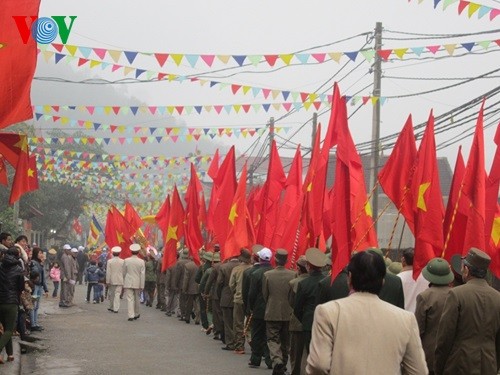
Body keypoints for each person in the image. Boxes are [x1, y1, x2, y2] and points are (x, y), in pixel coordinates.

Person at [306, 251, 427, 374]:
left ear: (349, 278)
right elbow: (418, 371)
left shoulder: (327, 312)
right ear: (383, 281)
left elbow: (319, 364)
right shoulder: (406, 319)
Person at [434, 248, 500, 375]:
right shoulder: (498, 297)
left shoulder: (456, 294)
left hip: (459, 365)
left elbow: (445, 337)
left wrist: (439, 368)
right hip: (488, 365)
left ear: (467, 270)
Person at [415, 258, 454, 375]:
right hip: (450, 352)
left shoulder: (425, 296)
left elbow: (419, 328)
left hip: (429, 353)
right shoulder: (456, 294)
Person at [262, 249, 295, 375]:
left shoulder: (267, 275)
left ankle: (277, 361)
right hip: (288, 312)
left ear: (275, 260)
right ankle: (283, 364)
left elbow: (265, 295)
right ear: (286, 261)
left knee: (273, 338)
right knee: (286, 340)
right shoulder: (293, 274)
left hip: (272, 311)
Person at [293, 248, 327, 355]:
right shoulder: (327, 281)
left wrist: (305, 319)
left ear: (308, 266)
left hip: (308, 322)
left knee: (310, 353)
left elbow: (297, 308)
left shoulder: (304, 284)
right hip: (325, 322)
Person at [247, 247, 274, 369]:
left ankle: (255, 359)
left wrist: (251, 308)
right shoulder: (274, 272)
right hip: (271, 308)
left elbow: (251, 294)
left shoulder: (255, 274)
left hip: (258, 309)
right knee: (270, 335)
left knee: (257, 335)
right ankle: (270, 360)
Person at [0, 248, 25, 364]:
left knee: (4, 329)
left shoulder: (0, 267)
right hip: (11, 302)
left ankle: (10, 354)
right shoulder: (19, 269)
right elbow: (21, 288)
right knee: (10, 330)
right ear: (17, 256)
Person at [217, 250, 243, 350]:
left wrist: (220, 296)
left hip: (226, 297)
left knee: (228, 322)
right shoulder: (243, 268)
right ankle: (239, 343)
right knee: (238, 322)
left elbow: (219, 283)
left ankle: (231, 343)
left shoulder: (224, 267)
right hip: (240, 297)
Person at [229, 248, 252, 354]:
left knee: (238, 323)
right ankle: (253, 343)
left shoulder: (236, 269)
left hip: (239, 299)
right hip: (250, 300)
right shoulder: (253, 269)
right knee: (250, 323)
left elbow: (231, 285)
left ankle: (239, 346)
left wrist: (236, 292)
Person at [288, 256, 309, 375]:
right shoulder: (319, 281)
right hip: (311, 322)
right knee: (307, 353)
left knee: (295, 353)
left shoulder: (293, 282)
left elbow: (291, 303)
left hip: (297, 322)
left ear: (299, 268)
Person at [398, 248, 429, 313]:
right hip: (420, 317)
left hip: (402, 317)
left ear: (403, 260)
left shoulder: (397, 278)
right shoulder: (427, 278)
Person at [123, 243, 145, 321]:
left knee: (129, 299)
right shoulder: (141, 262)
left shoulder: (126, 260)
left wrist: (124, 280)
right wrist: (142, 285)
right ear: (138, 252)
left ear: (131, 251)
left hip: (128, 281)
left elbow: (124, 272)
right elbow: (142, 274)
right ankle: (136, 313)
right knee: (137, 299)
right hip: (138, 282)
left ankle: (130, 315)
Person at [28, 247, 49, 331]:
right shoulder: (33, 263)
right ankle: (33, 324)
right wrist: (41, 264)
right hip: (35, 287)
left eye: (42, 253)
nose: (41, 255)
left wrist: (46, 289)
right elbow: (35, 274)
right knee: (33, 306)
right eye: (40, 253)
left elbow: (43, 278)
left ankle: (35, 323)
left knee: (36, 306)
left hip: (39, 287)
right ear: (36, 254)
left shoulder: (40, 263)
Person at [106, 246, 124, 313]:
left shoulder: (109, 261)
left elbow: (108, 272)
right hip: (120, 280)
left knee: (111, 294)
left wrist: (107, 281)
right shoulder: (123, 261)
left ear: (113, 253)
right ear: (119, 253)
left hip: (112, 280)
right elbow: (124, 272)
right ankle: (116, 308)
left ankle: (111, 306)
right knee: (117, 294)